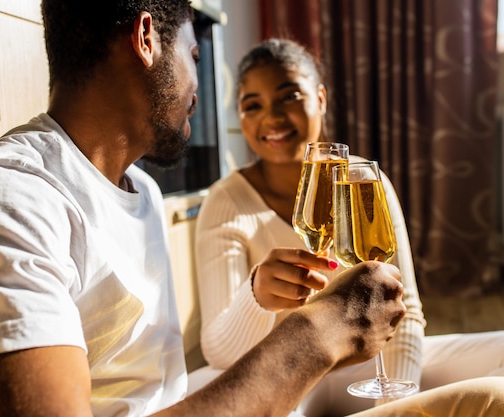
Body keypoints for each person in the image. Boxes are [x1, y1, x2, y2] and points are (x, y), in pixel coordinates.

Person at [0, 3, 503, 417]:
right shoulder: (7, 200)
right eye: (195, 54)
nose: (202, 83)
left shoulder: (138, 192)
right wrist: (320, 329)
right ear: (148, 39)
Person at [193, 38, 504, 416]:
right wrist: (255, 297)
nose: (271, 118)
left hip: (366, 366)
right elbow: (219, 353)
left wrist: (394, 406)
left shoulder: (363, 182)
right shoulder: (224, 200)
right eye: (252, 105)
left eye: (289, 97)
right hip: (290, 378)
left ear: (320, 99)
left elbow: (404, 308)